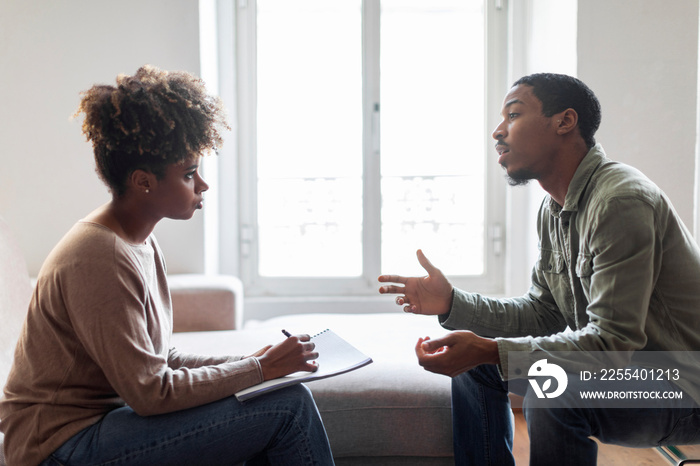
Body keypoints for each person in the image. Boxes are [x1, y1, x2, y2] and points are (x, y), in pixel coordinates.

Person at [0, 65, 334, 466]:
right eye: (190, 174)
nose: (203, 185)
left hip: (101, 424)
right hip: (58, 446)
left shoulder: (138, 239)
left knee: (273, 397)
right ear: (144, 182)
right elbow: (151, 393)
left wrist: (252, 364)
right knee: (288, 407)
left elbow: (161, 359)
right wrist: (258, 369)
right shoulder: (98, 256)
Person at [378, 73, 700, 465]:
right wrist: (453, 304)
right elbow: (543, 312)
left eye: (513, 115)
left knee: (554, 390)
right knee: (476, 363)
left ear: (564, 122)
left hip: (680, 386)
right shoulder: (554, 210)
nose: (498, 132)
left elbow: (612, 345)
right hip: (629, 377)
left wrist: (494, 350)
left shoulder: (621, 201)